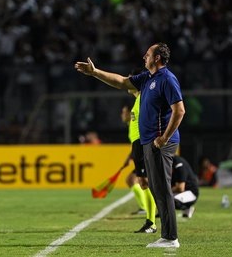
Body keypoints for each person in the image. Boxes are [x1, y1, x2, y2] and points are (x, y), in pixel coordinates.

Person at [76, 42, 185, 249]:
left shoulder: (167, 79)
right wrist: (95, 72)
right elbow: (122, 82)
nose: (144, 56)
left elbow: (179, 111)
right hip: (149, 142)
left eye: (148, 54)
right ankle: (167, 235)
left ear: (157, 58)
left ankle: (171, 238)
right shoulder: (148, 78)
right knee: (156, 188)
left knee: (162, 188)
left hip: (161, 143)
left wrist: (163, 138)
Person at [120, 89, 157, 234]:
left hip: (143, 146)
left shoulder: (142, 100)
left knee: (143, 182)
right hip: (139, 148)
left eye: (124, 112)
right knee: (138, 182)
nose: (122, 115)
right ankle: (150, 217)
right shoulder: (136, 107)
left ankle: (151, 220)